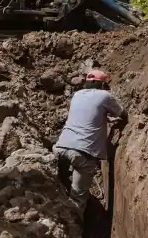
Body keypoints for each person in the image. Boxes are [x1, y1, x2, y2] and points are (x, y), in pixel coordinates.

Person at [53, 69, 126, 197]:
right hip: (83, 153)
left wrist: (104, 117)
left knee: (59, 187)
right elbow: (123, 114)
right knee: (78, 197)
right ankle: (76, 215)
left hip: (61, 146)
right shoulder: (105, 96)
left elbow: (84, 115)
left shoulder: (77, 95)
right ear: (102, 85)